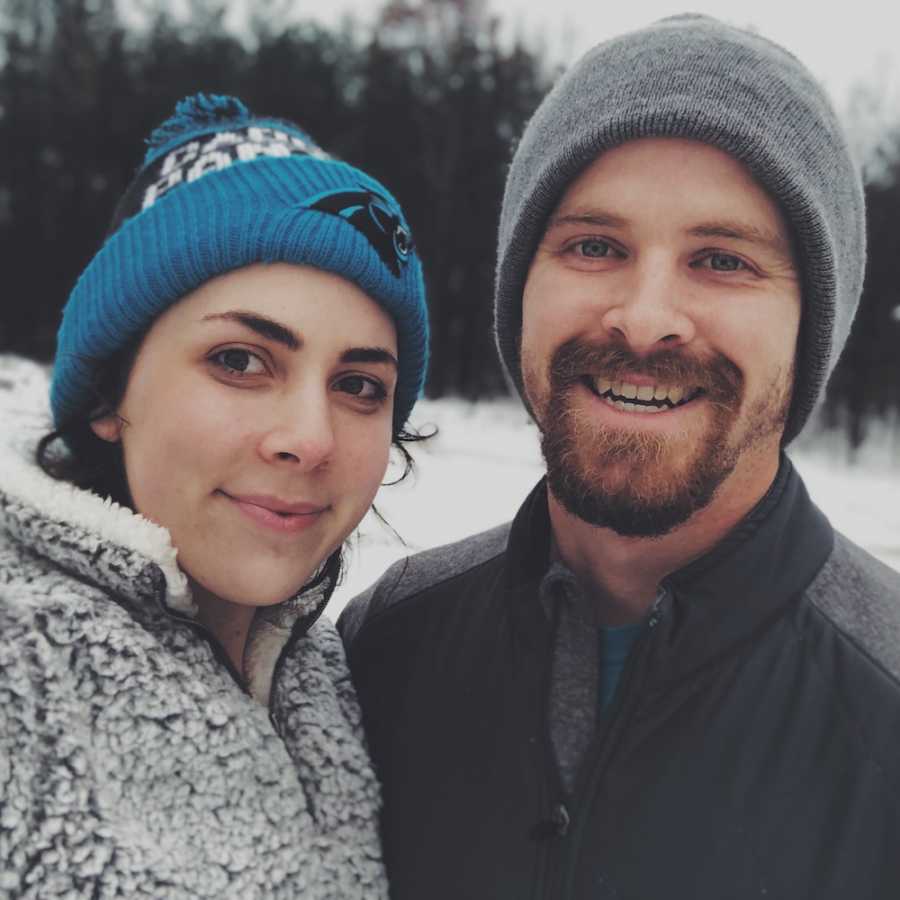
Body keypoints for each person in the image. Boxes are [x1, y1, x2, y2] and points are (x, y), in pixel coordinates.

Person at [339, 15, 900, 900]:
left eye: (722, 260)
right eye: (594, 246)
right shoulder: (387, 648)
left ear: (813, 327)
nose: (644, 318)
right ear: (521, 288)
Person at [0, 93, 428, 898]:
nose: (311, 436)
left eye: (361, 384)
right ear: (107, 396)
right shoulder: (19, 671)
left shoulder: (330, 678)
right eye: (239, 360)